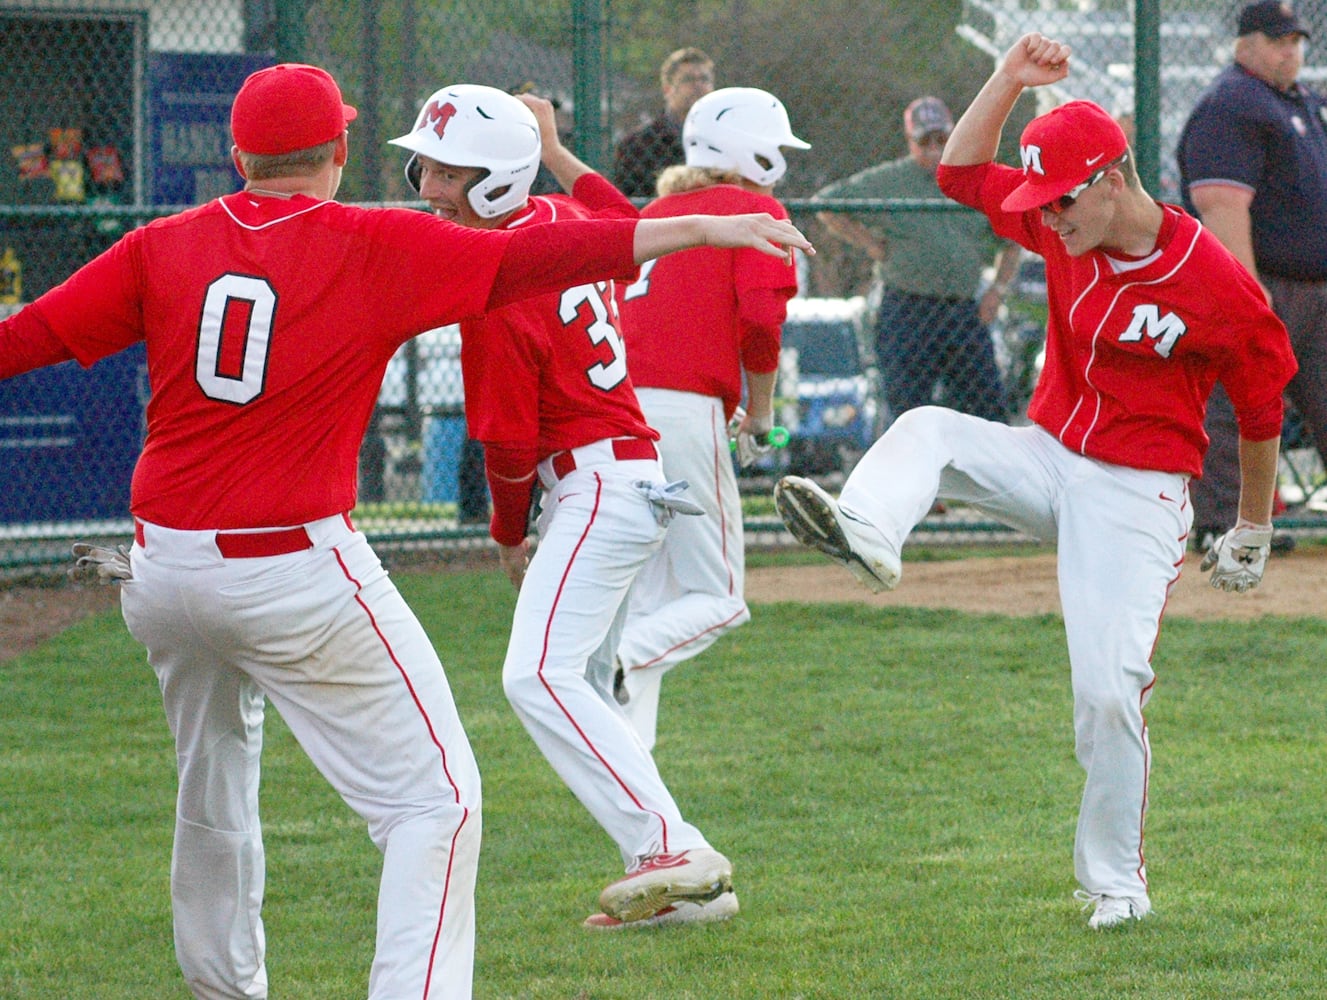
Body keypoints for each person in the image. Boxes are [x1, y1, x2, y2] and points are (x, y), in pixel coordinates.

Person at [0, 63, 812, 998]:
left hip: (161, 568)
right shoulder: (372, 240)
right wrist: (706, 224)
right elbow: (546, 258)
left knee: (211, 795)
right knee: (436, 801)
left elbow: (26, 340)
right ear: (339, 153)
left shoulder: (161, 244)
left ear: (237, 158)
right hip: (290, 566)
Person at [774, 33, 1296, 931]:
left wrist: (1248, 524)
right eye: (1041, 206)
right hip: (1049, 453)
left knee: (1107, 688)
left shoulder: (1212, 280)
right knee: (926, 428)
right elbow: (958, 173)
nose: (1046, 220)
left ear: (1111, 179)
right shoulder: (1061, 224)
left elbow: (1259, 405)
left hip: (1139, 494)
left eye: (1061, 202)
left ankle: (1116, 886)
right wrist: (1007, 78)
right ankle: (866, 528)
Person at [389, 84, 784, 932]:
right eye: (425, 164)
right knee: (567, 679)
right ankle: (684, 880)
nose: (427, 185)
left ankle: (669, 850)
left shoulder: (500, 281)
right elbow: (613, 220)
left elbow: (502, 441)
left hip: (600, 484)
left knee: (537, 674)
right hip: (618, 477)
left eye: (450, 173)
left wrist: (505, 535)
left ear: (498, 181)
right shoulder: (558, 222)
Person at [612, 86, 807, 749]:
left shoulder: (660, 210)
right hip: (684, 412)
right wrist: (759, 412)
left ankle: (629, 759)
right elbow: (758, 320)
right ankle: (617, 658)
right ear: (747, 151)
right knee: (719, 598)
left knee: (649, 594)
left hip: (619, 415)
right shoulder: (754, 207)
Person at [1177, 0, 1327, 549]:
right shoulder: (1234, 103)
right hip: (1264, 284)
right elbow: (1219, 203)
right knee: (1240, 403)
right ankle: (1222, 525)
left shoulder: (1297, 101)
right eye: (1278, 39)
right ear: (1246, 45)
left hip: (1313, 288)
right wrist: (1247, 288)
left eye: (1296, 40)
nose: (1291, 50)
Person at [812, 96, 1022, 423]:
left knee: (987, 410)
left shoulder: (974, 177)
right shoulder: (890, 180)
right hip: (907, 308)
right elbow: (825, 204)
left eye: (941, 139)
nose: (934, 148)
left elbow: (1010, 241)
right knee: (907, 411)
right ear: (910, 142)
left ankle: (980, 472)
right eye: (924, 141)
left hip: (962, 308)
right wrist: (868, 243)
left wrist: (997, 290)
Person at [613, 47, 715, 199]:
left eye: (704, 79)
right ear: (668, 89)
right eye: (688, 79)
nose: (698, 85)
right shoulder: (638, 144)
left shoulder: (722, 139)